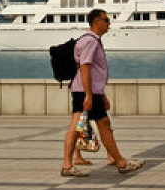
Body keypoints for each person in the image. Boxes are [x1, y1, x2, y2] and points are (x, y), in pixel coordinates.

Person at [61, 9, 144, 177]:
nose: (109, 23)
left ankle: (117, 161)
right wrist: (89, 95)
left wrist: (100, 94)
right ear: (97, 22)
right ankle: (118, 162)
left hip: (87, 91)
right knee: (85, 126)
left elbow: (92, 71)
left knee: (98, 124)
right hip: (85, 92)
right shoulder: (90, 41)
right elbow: (85, 67)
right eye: (106, 20)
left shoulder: (90, 40)